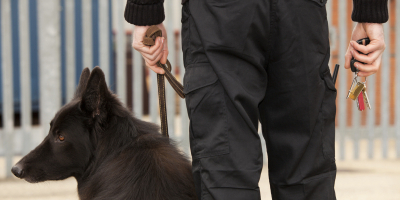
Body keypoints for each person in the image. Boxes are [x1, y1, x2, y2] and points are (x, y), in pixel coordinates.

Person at [124, 0, 387, 199]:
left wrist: (145, 9)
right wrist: (370, 12)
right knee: (306, 174)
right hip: (298, 12)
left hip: (220, 16)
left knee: (225, 172)